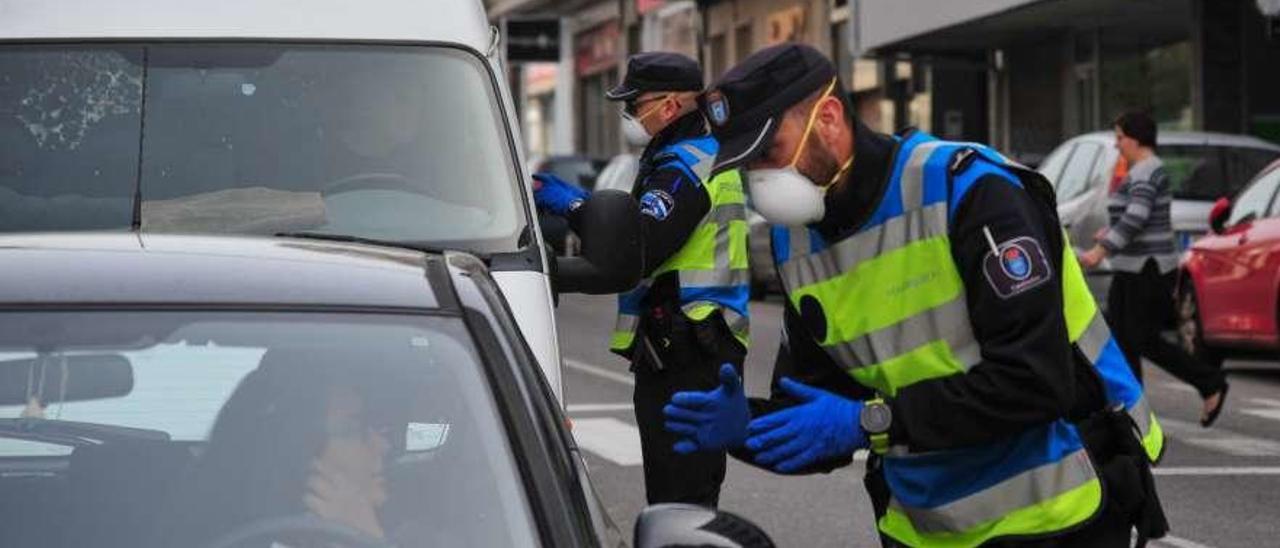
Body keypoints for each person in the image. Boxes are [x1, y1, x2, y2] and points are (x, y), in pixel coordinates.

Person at [662, 44, 1168, 547]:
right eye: (745, 167)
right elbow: (824, 414)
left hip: (1059, 507)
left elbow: (1034, 381)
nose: (759, 180)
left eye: (768, 154)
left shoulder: (969, 191)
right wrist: (748, 427)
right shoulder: (792, 243)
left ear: (830, 118)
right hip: (923, 526)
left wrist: (871, 422)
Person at [534, 52, 750, 507]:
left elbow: (639, 247)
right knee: (675, 490)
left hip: (691, 348)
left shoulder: (684, 169)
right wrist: (582, 202)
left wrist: (574, 209)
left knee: (681, 497)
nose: (629, 115)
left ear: (670, 106)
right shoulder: (676, 159)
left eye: (635, 105)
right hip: (684, 347)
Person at [1078, 111, 1228, 427]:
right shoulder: (1142, 171)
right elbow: (1135, 219)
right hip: (1133, 267)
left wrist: (1099, 250)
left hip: (1146, 270)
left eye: (1120, 138)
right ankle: (1132, 412)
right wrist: (1109, 234)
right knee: (1121, 340)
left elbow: (1137, 217)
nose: (1117, 145)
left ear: (1135, 138)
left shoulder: (1148, 171)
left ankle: (1208, 382)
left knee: (1141, 339)